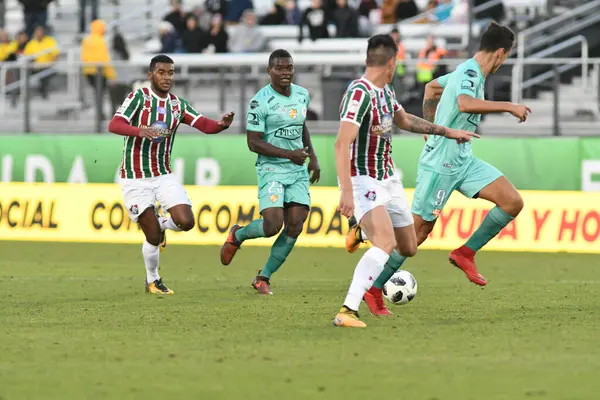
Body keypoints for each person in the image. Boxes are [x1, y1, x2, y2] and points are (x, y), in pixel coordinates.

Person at [345, 22, 531, 316]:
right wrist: (508, 106)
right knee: (416, 235)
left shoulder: (466, 71)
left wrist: (433, 127)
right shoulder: (469, 74)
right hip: (442, 162)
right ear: (500, 53)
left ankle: (465, 253)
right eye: (506, 56)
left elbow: (432, 88)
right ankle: (373, 284)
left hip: (462, 156)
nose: (504, 61)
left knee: (511, 201)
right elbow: (465, 103)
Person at [332, 34, 478, 328]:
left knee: (408, 246)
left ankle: (362, 231)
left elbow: (405, 120)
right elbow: (341, 143)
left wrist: (447, 132)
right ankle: (347, 309)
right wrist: (346, 192)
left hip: (387, 178)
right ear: (391, 62)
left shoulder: (386, 92)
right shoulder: (360, 93)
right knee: (385, 243)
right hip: (363, 180)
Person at [108, 55, 235, 295]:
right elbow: (114, 125)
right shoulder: (139, 98)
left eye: (171, 73)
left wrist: (220, 125)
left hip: (163, 175)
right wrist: (140, 131)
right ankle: (152, 280)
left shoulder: (178, 105)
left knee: (186, 221)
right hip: (135, 178)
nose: (167, 78)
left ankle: (164, 224)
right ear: (151, 75)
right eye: (162, 72)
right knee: (152, 236)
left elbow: (203, 124)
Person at [220, 49, 321, 295]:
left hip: (296, 169)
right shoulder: (259, 101)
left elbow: (301, 125)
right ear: (270, 71)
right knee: (273, 224)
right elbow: (253, 142)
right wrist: (289, 154)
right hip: (271, 168)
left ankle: (263, 277)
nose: (286, 73)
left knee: (296, 224)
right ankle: (239, 234)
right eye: (280, 68)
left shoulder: (302, 95)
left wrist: (312, 157)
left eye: (289, 68)